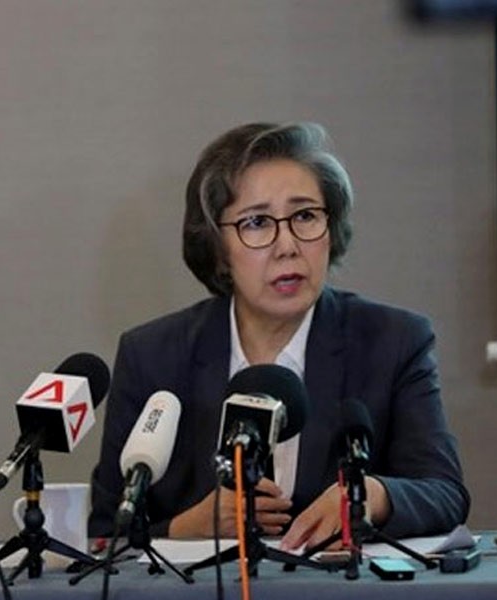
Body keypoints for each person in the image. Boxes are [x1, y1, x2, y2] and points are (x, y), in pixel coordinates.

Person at [88, 121, 469, 550]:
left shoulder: (393, 341)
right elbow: (105, 532)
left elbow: (444, 493)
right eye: (256, 223)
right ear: (218, 247)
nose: (287, 244)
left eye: (305, 216)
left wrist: (374, 496)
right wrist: (186, 527)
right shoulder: (154, 357)